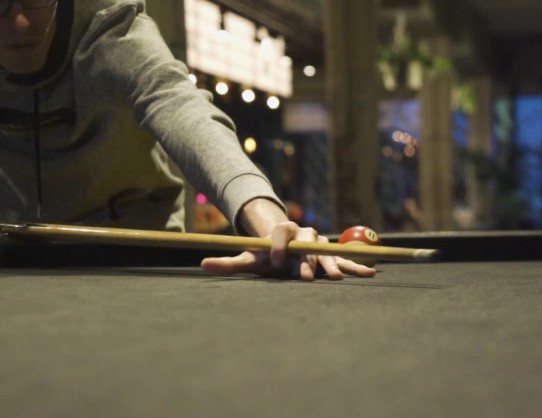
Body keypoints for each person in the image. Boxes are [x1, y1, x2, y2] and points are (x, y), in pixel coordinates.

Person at [0, 0, 375, 281]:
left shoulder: (108, 25)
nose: (20, 21)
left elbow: (183, 108)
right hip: (15, 253)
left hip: (140, 254)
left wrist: (268, 220)